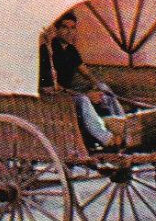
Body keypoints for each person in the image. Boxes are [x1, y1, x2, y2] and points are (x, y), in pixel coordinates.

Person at [39, 12, 114, 148]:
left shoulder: (71, 50)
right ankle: (106, 138)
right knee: (83, 100)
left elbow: (87, 73)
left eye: (73, 28)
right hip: (54, 98)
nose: (70, 32)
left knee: (104, 89)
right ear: (57, 30)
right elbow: (49, 88)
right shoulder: (47, 51)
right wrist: (87, 95)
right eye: (65, 28)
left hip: (69, 94)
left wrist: (97, 86)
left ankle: (121, 125)